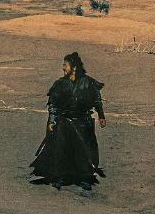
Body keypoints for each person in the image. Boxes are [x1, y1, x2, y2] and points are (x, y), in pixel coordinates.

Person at [30, 51, 106, 191]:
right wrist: (52, 121)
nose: (63, 68)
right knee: (61, 149)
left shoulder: (88, 83)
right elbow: (53, 105)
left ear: (74, 67)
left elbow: (97, 100)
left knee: (84, 151)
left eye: (65, 65)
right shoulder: (60, 84)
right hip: (64, 122)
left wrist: (101, 116)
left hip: (83, 123)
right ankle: (59, 177)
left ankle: (84, 178)